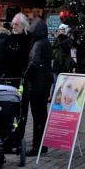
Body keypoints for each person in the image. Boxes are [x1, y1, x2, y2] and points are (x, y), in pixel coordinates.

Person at [24, 18, 53, 157]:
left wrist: (26, 77)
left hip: (36, 84)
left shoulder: (38, 44)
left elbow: (34, 64)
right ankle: (43, 143)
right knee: (42, 114)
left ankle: (37, 146)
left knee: (37, 115)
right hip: (45, 82)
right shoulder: (47, 43)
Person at [4, 12, 32, 138]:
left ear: (23, 25)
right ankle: (8, 134)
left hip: (22, 80)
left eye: (16, 24)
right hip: (9, 79)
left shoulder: (28, 39)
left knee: (21, 109)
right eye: (13, 24)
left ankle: (19, 136)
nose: (14, 26)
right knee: (8, 107)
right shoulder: (9, 38)